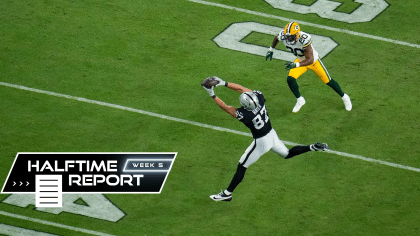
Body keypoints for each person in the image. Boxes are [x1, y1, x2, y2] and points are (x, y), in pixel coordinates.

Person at [202, 76, 329, 202]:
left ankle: (227, 194)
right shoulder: (260, 98)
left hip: (262, 142)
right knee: (287, 154)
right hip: (272, 134)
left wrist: (212, 94)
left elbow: (226, 108)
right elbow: (241, 89)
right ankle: (312, 147)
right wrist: (224, 83)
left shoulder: (245, 114)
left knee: (242, 165)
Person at [266, 21, 352, 113]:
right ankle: (300, 100)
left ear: (297, 34)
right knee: (290, 79)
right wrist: (271, 49)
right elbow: (277, 38)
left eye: (291, 36)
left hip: (313, 61)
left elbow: (309, 59)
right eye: (287, 36)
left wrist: (296, 65)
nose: (288, 38)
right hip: (300, 60)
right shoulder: (284, 35)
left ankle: (345, 97)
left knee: (328, 81)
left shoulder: (304, 39)